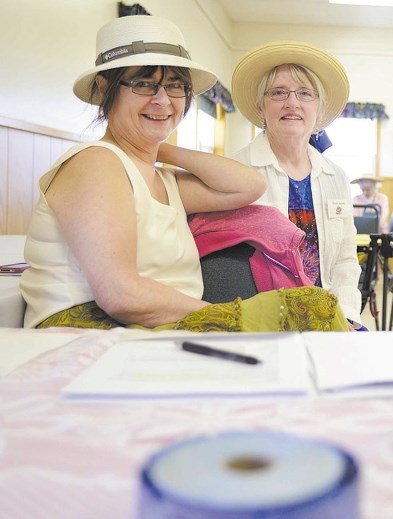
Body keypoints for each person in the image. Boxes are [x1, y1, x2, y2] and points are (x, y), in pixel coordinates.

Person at [19, 15, 348, 333]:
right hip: (91, 328)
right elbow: (118, 294)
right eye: (145, 84)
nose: (162, 100)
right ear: (106, 89)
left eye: (175, 86)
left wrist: (150, 147)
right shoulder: (96, 163)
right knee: (311, 310)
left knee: (317, 309)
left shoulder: (159, 177)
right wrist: (228, 318)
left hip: (150, 327)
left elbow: (249, 185)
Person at [229, 40, 363, 328]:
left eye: (305, 93)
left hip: (329, 315)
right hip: (261, 319)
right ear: (260, 107)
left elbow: (345, 260)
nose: (292, 103)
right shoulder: (234, 170)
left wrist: (347, 315)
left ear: (320, 109)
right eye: (278, 93)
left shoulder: (335, 176)